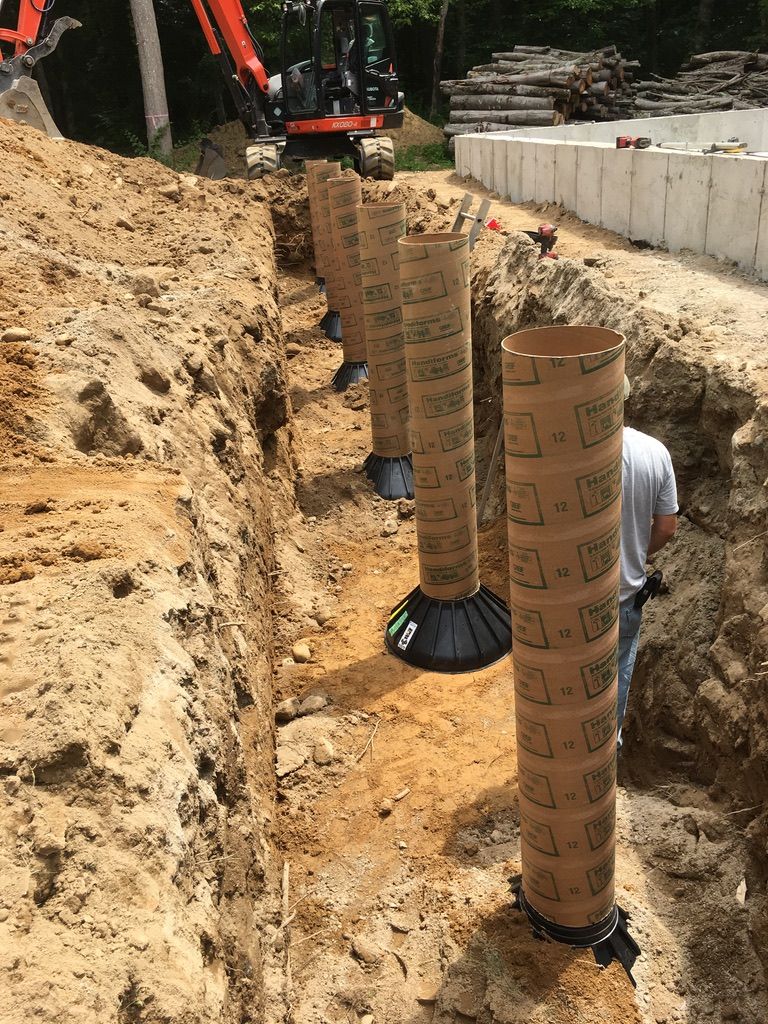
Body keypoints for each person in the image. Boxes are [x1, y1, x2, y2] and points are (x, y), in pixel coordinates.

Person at [618, 376, 678, 748]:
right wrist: (638, 553)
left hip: (569, 601)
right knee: (616, 678)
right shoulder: (654, 452)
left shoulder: (565, 453)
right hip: (626, 595)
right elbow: (667, 527)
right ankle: (604, 764)